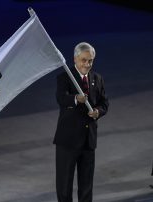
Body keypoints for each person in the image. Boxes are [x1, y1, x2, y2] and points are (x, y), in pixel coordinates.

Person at [53, 42, 109, 202]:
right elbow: (61, 99)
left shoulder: (97, 78)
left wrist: (98, 111)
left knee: (86, 185)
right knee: (64, 184)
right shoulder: (65, 77)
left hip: (88, 141)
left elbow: (104, 103)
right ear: (75, 59)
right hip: (67, 141)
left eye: (90, 60)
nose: (87, 64)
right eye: (84, 60)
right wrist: (76, 99)